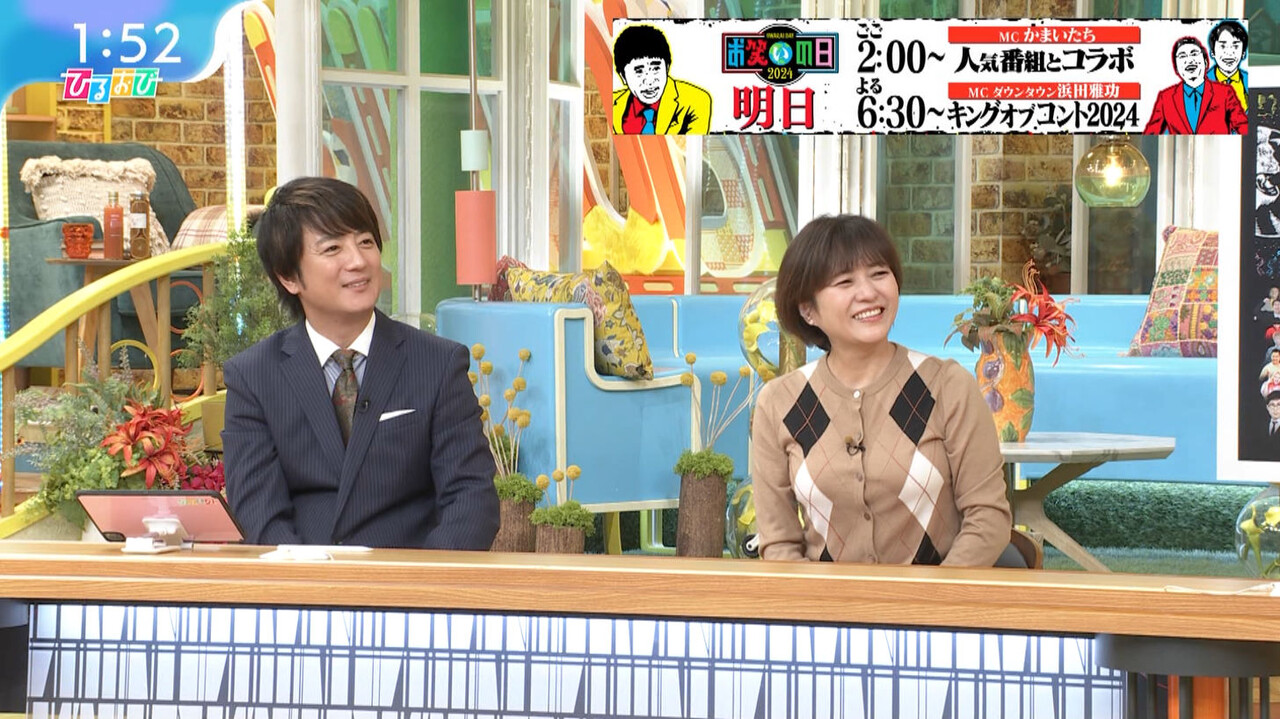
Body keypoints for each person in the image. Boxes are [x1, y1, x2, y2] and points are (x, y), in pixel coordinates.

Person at [223, 176, 499, 549]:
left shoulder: (438, 363)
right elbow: (260, 512)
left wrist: (420, 580)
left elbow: (471, 500)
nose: (358, 261)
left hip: (411, 576)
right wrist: (309, 578)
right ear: (288, 277)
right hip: (302, 578)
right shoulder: (253, 376)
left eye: (365, 242)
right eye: (333, 248)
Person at [751, 215, 1011, 566]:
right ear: (808, 310)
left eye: (878, 274)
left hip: (938, 596)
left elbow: (988, 520)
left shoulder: (946, 386)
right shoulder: (779, 403)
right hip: (823, 600)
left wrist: (931, 597)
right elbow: (779, 544)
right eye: (844, 281)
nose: (868, 293)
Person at [611, 24, 712, 135]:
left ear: (667, 68)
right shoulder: (613, 101)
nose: (649, 81)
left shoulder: (697, 100)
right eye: (639, 71)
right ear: (623, 77)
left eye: (656, 68)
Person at [1143, 36, 1247, 135]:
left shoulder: (1224, 92)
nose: (1189, 60)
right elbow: (1151, 132)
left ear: (1205, 62)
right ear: (1176, 68)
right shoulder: (1166, 97)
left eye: (1194, 54)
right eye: (1182, 56)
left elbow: (1243, 126)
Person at [1208, 20, 1248, 111]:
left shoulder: (1248, 79)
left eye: (1235, 46)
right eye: (1223, 46)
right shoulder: (1202, 82)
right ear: (1213, 52)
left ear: (1243, 53)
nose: (1229, 53)